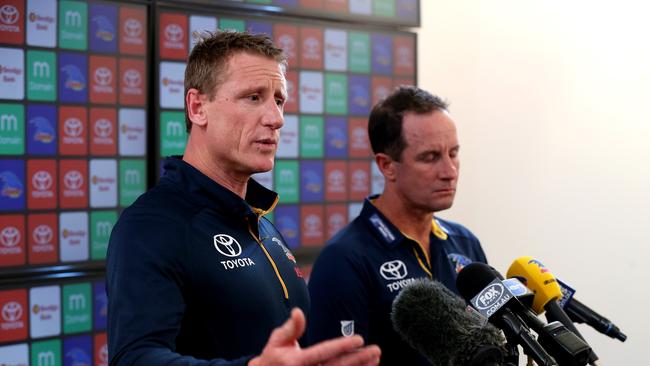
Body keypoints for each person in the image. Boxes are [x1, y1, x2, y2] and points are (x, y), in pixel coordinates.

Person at [107, 30, 380, 366]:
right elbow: (134, 358)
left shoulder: (260, 224)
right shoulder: (151, 226)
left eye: (278, 100)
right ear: (197, 107)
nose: (276, 119)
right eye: (253, 97)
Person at [307, 86, 488, 365]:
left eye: (453, 153)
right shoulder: (344, 259)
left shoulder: (466, 242)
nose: (449, 172)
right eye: (430, 157)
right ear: (387, 165)